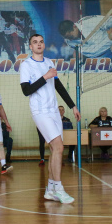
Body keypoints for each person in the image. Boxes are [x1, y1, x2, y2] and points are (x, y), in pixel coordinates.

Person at [20, 33, 81, 204]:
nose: (38, 44)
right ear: (30, 47)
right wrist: (44, 77)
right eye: (34, 42)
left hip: (54, 111)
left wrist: (72, 106)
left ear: (44, 45)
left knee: (55, 150)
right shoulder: (26, 65)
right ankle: (58, 189)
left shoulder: (49, 62)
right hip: (40, 111)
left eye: (41, 42)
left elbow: (58, 86)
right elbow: (26, 91)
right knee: (59, 147)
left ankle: (50, 189)